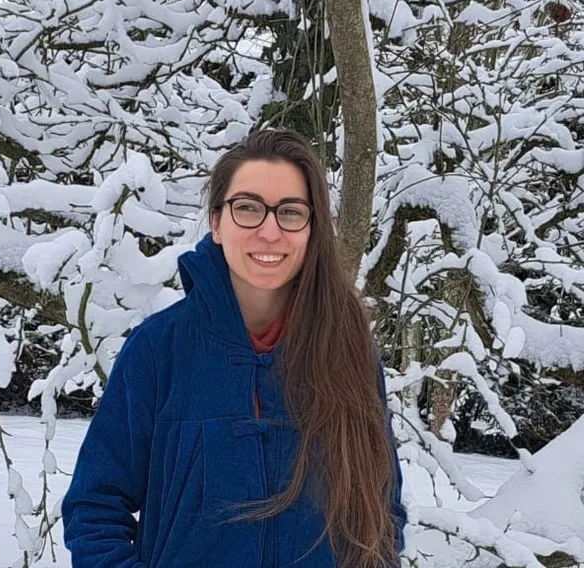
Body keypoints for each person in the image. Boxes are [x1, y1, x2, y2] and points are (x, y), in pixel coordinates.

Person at [62, 129, 407, 568]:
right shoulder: (158, 350)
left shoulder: (347, 352)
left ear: (311, 228)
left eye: (291, 212)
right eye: (247, 208)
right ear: (216, 222)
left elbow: (382, 508)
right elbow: (94, 509)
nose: (269, 231)